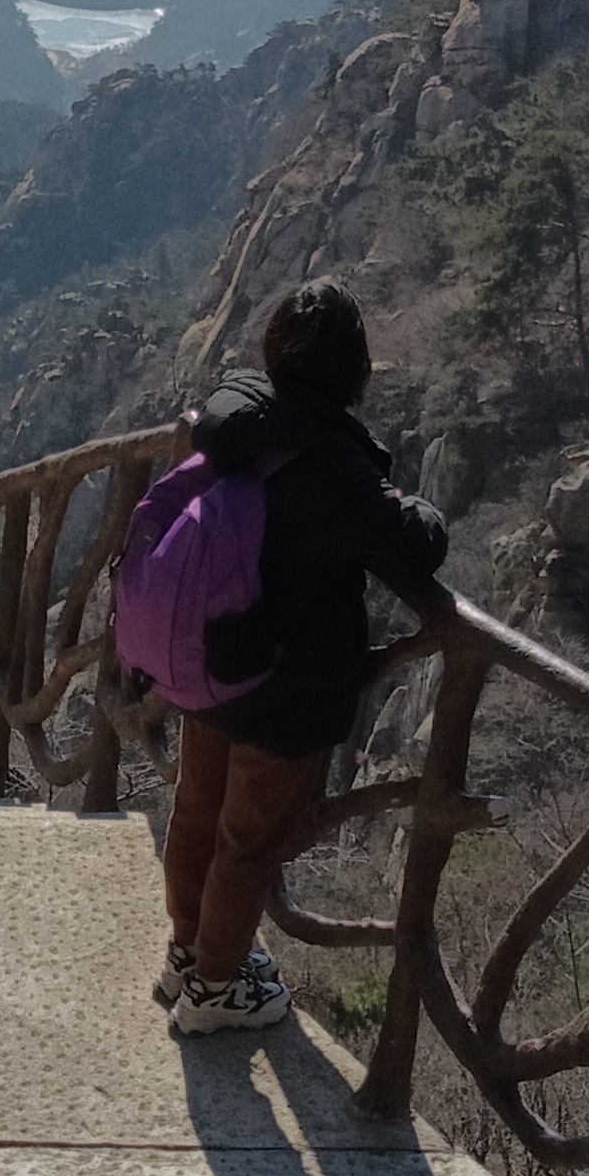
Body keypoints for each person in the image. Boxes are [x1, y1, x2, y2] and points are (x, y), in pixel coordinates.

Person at [158, 277, 448, 1037]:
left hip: (210, 660)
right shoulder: (331, 469)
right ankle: (218, 988)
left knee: (195, 809)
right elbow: (416, 543)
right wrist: (416, 501)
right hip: (280, 685)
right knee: (248, 839)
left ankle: (188, 955)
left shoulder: (236, 426)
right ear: (353, 372)